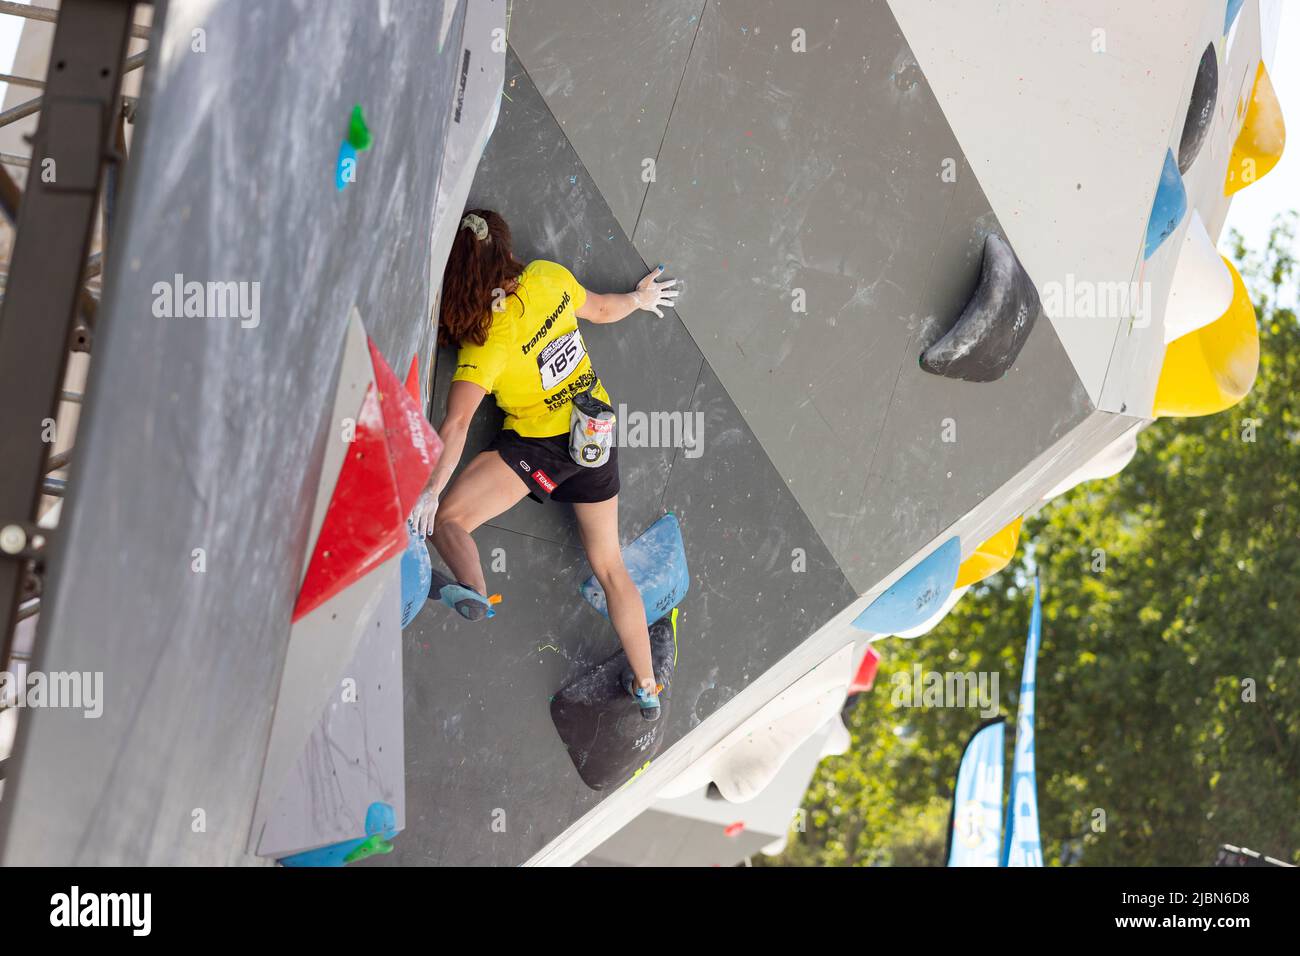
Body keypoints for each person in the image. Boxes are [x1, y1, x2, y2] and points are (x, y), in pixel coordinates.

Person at [411, 209, 678, 720]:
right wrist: (642, 299)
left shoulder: (483, 340)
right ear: (508, 249)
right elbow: (600, 310)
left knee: (449, 520)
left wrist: (429, 489)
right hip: (593, 437)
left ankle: (475, 591)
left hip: (539, 453)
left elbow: (457, 425)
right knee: (610, 568)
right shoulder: (547, 278)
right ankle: (647, 687)